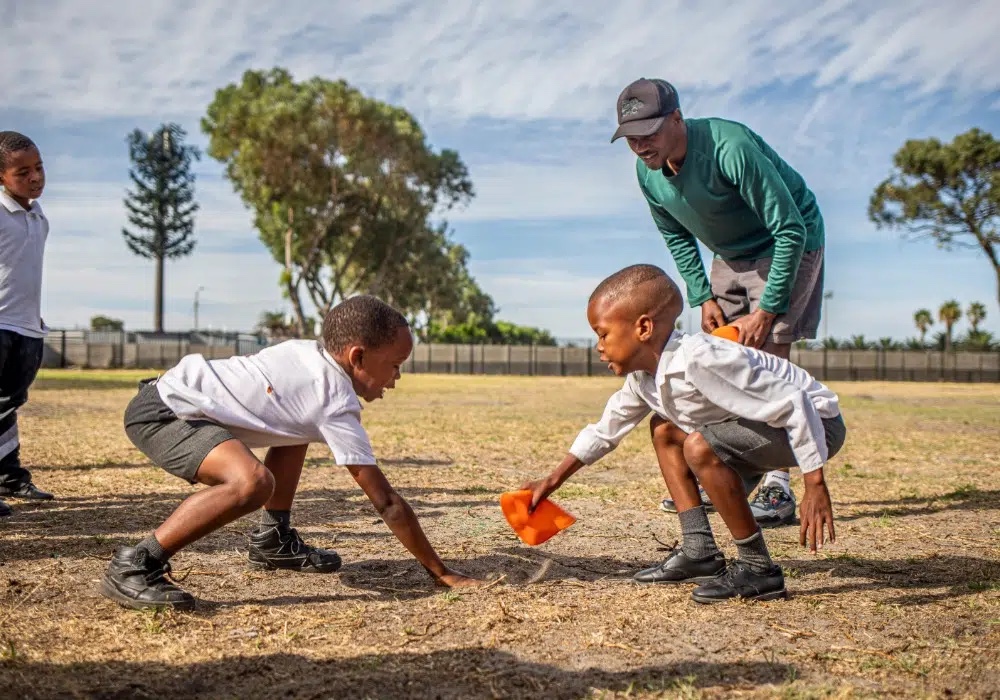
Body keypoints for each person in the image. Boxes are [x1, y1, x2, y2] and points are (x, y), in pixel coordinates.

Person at [99, 295, 478, 611]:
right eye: (394, 365)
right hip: (165, 414)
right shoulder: (333, 398)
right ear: (358, 357)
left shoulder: (309, 357)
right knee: (252, 482)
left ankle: (272, 540)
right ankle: (137, 562)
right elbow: (387, 502)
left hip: (166, 398)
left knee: (294, 426)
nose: (397, 378)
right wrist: (441, 572)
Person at [522, 265, 846, 603]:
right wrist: (552, 480)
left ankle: (757, 569)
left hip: (818, 425)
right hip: (768, 427)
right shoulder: (644, 379)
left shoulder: (701, 359)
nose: (598, 346)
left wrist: (814, 484)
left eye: (603, 334)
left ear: (643, 328)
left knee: (699, 446)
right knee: (664, 429)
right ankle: (699, 550)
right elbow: (606, 430)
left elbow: (795, 403)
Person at [611, 78, 829, 527]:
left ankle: (777, 485)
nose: (640, 145)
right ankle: (730, 475)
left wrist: (767, 309)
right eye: (631, 137)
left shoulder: (730, 146)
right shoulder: (647, 172)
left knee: (767, 355)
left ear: (677, 118)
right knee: (721, 359)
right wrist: (701, 294)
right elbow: (675, 233)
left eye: (649, 131)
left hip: (786, 241)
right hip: (728, 253)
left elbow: (790, 227)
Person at [0, 131, 56, 517]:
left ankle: (9, 476)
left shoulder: (38, 217)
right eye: (23, 172)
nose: (35, 177)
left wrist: (33, 316)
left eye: (38, 168)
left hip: (26, 328)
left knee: (8, 404)